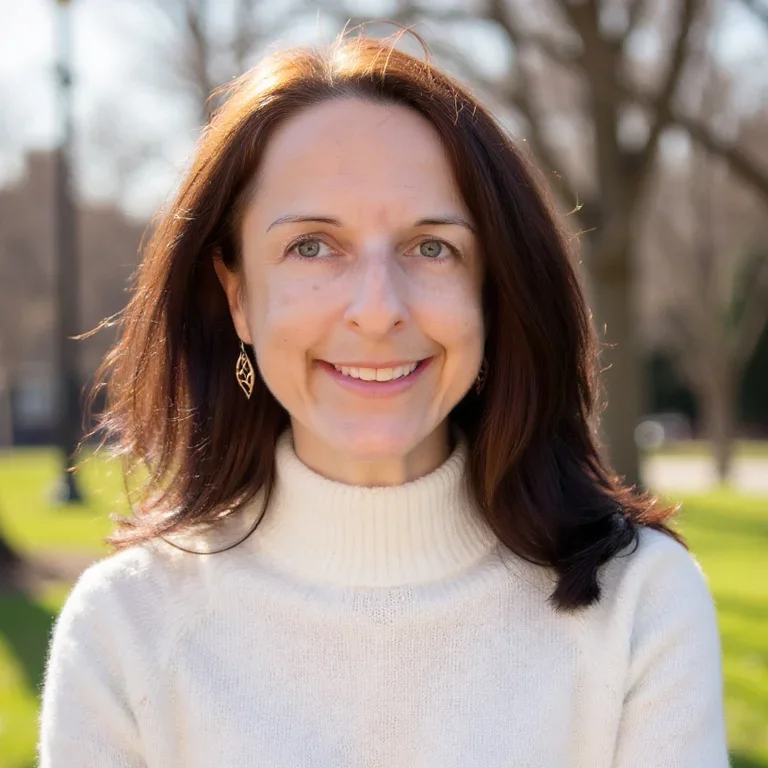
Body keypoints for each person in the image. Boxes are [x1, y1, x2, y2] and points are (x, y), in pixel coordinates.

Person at [37, 28, 730, 768]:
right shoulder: (126, 629)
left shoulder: (639, 605)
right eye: (312, 245)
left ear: (493, 294)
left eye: (432, 247)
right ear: (238, 297)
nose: (377, 310)